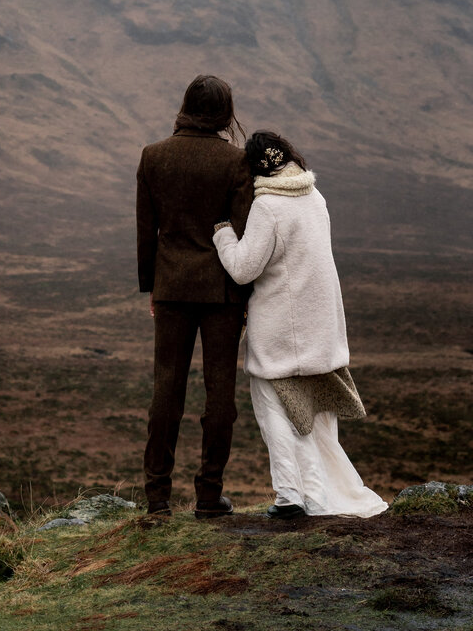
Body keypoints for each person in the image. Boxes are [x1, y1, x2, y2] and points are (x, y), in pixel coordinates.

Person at [213, 130, 387, 519]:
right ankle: (318, 492)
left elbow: (243, 269)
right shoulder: (315, 197)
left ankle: (292, 495)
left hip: (281, 329)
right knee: (316, 417)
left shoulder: (268, 206)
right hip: (321, 324)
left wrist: (223, 234)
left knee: (273, 407)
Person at [137, 75, 253, 518]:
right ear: (224, 112)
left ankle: (157, 498)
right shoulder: (235, 161)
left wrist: (153, 289)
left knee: (166, 388)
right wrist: (243, 294)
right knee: (220, 393)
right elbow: (242, 232)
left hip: (171, 288)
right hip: (222, 290)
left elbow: (147, 232)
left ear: (186, 105)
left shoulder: (154, 157)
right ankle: (208, 494)